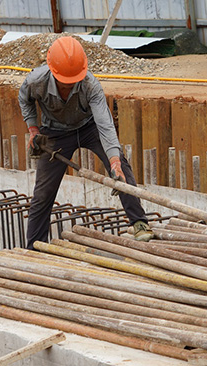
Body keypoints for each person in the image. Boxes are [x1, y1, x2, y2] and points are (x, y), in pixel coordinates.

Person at [19, 35, 154, 248]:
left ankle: (139, 222)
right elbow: (24, 99)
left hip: (89, 127)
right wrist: (33, 128)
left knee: (121, 168)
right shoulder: (36, 81)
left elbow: (105, 125)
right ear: (52, 70)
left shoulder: (91, 86)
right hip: (55, 132)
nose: (69, 85)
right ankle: (34, 246)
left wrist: (114, 161)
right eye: (65, 81)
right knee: (43, 193)